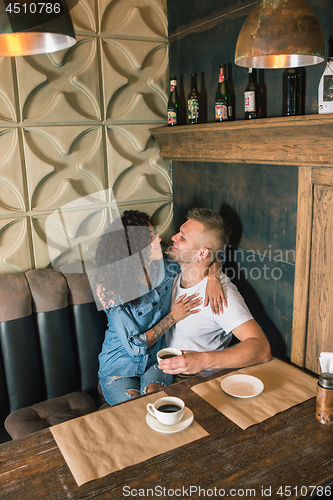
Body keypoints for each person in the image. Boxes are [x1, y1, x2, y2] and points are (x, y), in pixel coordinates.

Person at [94, 210, 226, 406]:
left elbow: (209, 254)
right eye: (151, 236)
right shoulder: (110, 288)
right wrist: (172, 318)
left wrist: (213, 276)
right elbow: (134, 347)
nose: (159, 238)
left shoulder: (165, 265)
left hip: (158, 361)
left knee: (158, 403)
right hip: (119, 367)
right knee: (136, 409)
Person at [160, 208, 271, 376]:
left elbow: (262, 349)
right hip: (163, 374)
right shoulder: (174, 272)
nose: (173, 237)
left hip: (197, 382)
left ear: (202, 253)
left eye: (182, 237)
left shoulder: (221, 294)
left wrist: (203, 360)